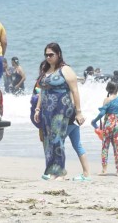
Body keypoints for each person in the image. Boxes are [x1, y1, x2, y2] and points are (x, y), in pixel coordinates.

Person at [34, 43, 84, 181]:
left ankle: (60, 172)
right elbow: (42, 91)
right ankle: (50, 170)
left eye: (51, 55)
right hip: (46, 111)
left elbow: (75, 90)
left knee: (57, 139)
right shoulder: (45, 70)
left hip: (61, 109)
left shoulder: (65, 70)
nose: (48, 57)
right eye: (46, 55)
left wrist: (78, 112)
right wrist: (37, 109)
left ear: (59, 54)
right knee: (47, 140)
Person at [91, 81, 118, 176]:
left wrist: (94, 121)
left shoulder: (107, 100)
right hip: (117, 124)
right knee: (117, 147)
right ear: (117, 89)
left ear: (108, 89)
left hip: (108, 125)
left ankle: (104, 170)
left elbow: (102, 114)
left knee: (105, 146)